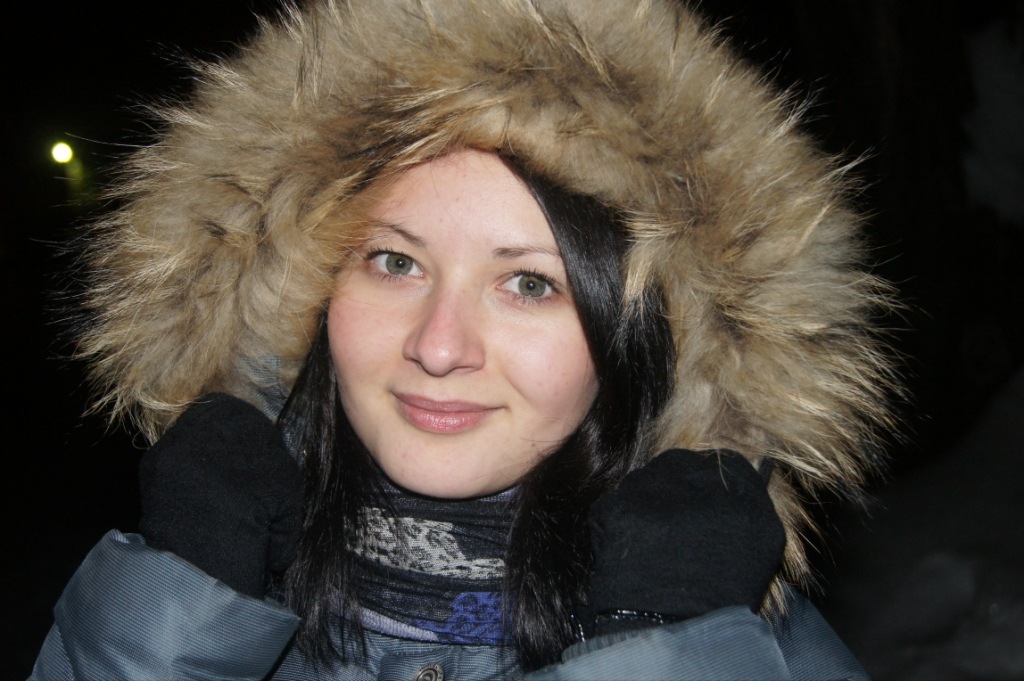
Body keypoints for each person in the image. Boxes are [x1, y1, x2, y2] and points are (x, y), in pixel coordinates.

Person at [32, 0, 897, 679]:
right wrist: (177, 618)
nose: (439, 347)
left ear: (647, 340)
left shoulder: (737, 643)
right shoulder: (171, 592)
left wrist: (658, 647)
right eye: (395, 262)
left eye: (530, 283)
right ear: (306, 294)